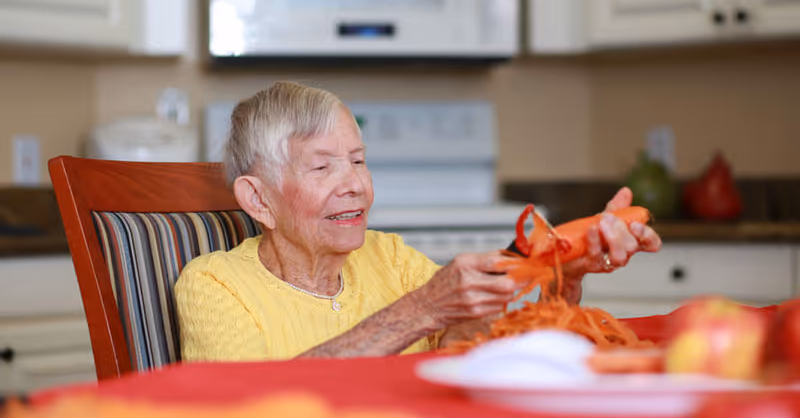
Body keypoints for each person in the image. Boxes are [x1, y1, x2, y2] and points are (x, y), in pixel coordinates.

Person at [175, 82, 662, 362]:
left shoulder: (389, 257)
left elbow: (486, 354)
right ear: (258, 200)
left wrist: (563, 276)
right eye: (322, 166)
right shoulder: (214, 284)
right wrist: (420, 311)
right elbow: (244, 405)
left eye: (359, 161)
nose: (355, 185)